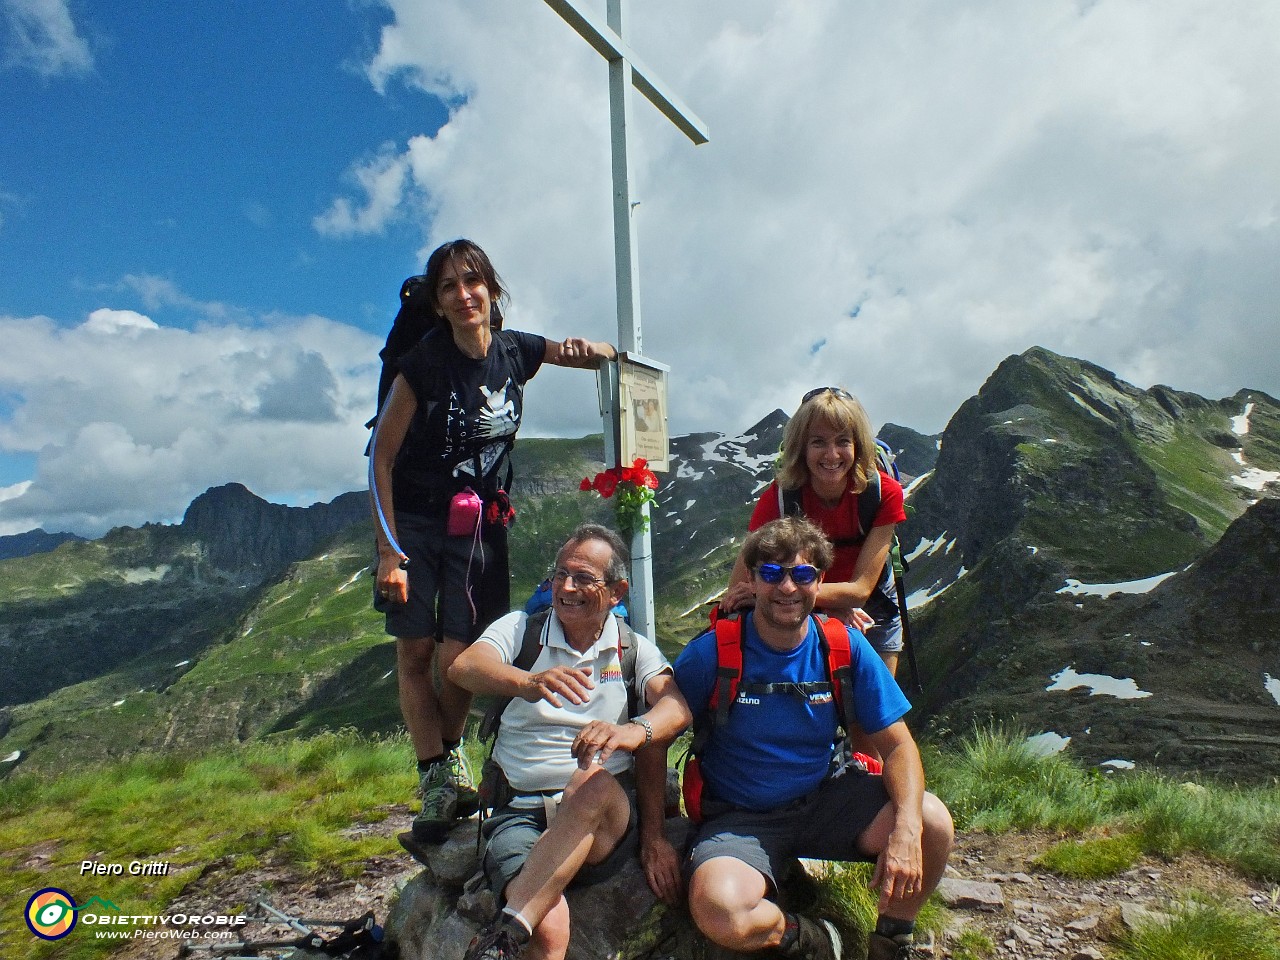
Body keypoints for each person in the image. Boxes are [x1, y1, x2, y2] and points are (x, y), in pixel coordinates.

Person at [369, 239, 618, 843]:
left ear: (491, 290)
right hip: (417, 523)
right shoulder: (422, 365)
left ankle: (450, 761)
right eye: (449, 287)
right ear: (438, 300)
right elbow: (381, 460)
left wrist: (605, 352)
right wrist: (388, 552)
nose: (462, 295)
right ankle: (436, 776)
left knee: (459, 659)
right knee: (414, 651)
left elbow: (573, 353)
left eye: (472, 282)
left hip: (480, 525)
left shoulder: (515, 352)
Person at [677, 517, 953, 960]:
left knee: (931, 823)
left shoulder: (842, 646)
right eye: (771, 574)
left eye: (802, 575)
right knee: (720, 911)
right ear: (751, 580)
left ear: (820, 581)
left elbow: (899, 746)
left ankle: (892, 937)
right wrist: (653, 834)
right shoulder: (712, 652)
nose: (788, 587)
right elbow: (658, 732)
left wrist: (904, 829)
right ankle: (816, 938)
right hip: (740, 818)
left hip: (826, 799)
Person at [448, 524, 691, 960]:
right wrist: (527, 681)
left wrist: (630, 733)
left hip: (603, 820)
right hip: (519, 814)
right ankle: (515, 929)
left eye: (583, 578)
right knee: (549, 924)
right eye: (560, 574)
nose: (566, 587)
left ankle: (502, 933)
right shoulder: (522, 630)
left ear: (616, 592)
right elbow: (465, 667)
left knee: (592, 782)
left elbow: (675, 709)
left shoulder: (633, 650)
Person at [722, 387, 907, 675]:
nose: (832, 455)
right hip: (806, 603)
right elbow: (737, 588)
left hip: (871, 606)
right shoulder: (780, 498)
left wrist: (765, 592)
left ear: (857, 445)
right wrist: (830, 608)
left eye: (843, 441)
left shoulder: (884, 493)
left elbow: (860, 591)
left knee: (879, 713)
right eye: (818, 442)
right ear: (801, 448)